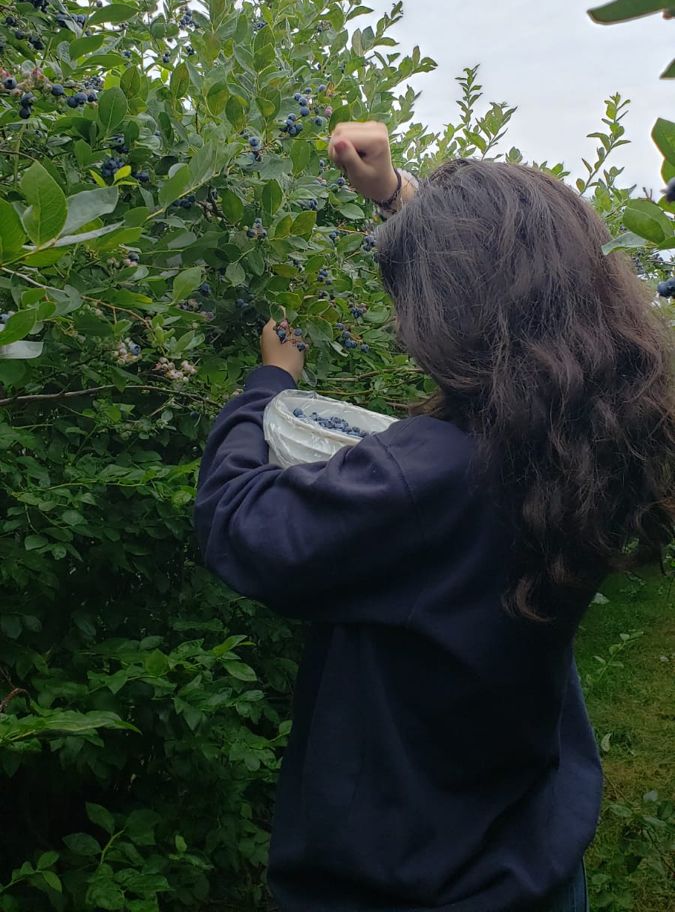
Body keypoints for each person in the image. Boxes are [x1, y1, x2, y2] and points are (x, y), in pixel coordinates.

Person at [195, 122, 674, 912]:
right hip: (527, 853)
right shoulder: (594, 431)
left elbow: (236, 522)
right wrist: (396, 197)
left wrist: (264, 387)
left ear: (451, 307)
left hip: (400, 876)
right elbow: (507, 271)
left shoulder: (425, 477)